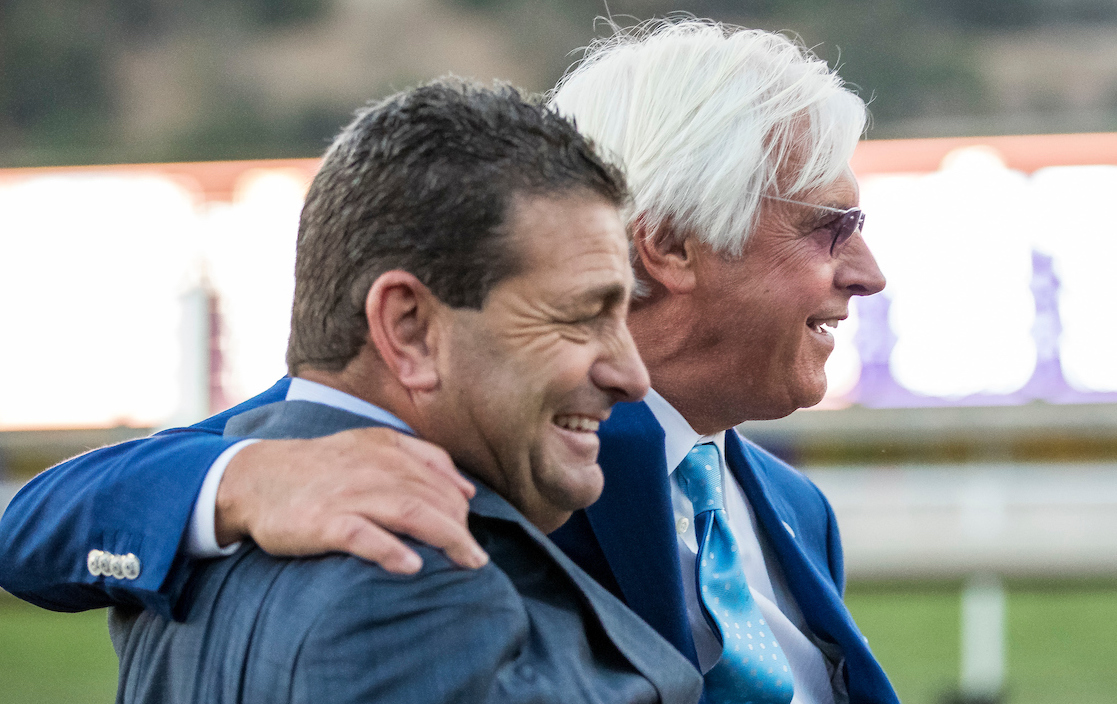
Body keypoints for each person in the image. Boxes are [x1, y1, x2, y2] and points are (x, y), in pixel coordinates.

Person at [0, 19, 895, 704]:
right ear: (669, 243)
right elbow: (43, 519)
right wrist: (241, 482)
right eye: (830, 227)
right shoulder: (466, 439)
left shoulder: (791, 508)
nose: (869, 273)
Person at [105, 79, 702, 704]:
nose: (632, 376)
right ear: (409, 329)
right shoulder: (418, 584)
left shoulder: (187, 548)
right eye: (582, 316)